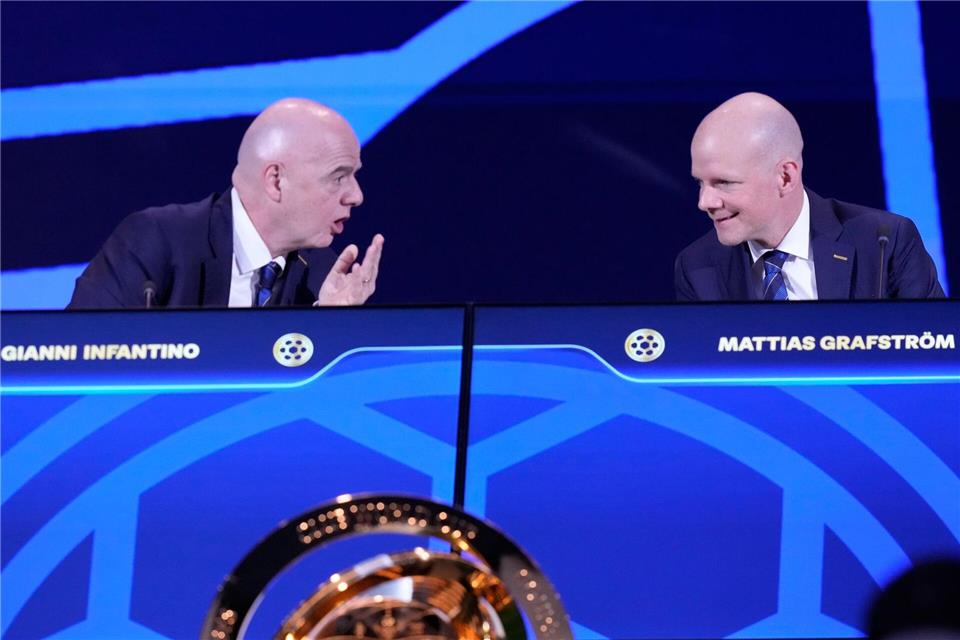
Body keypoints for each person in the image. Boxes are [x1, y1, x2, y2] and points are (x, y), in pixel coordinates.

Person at [68, 98, 384, 309]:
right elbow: (78, 356)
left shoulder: (324, 276)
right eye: (338, 177)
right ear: (276, 181)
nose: (357, 196)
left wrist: (334, 328)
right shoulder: (156, 242)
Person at [674, 92, 944, 301]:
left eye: (724, 182)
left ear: (785, 177)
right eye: (701, 182)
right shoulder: (698, 267)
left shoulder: (885, 243)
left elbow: (936, 357)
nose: (705, 202)